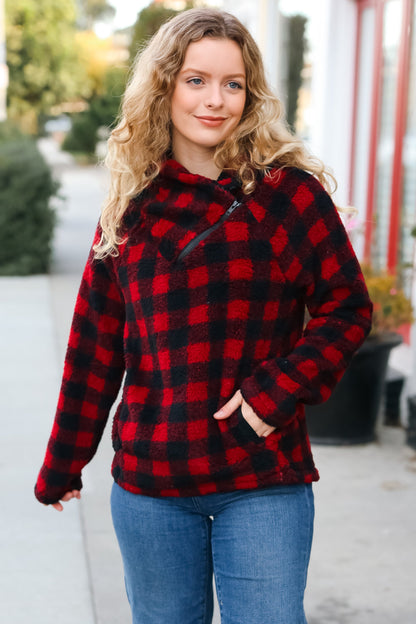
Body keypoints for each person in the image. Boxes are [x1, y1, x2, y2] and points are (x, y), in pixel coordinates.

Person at [35, 8, 372, 624]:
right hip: (152, 486)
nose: (215, 100)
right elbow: (94, 349)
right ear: (164, 88)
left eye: (232, 83)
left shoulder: (287, 197)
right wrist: (65, 461)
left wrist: (272, 396)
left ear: (250, 93)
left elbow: (346, 309)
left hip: (262, 476)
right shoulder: (129, 214)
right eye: (196, 80)